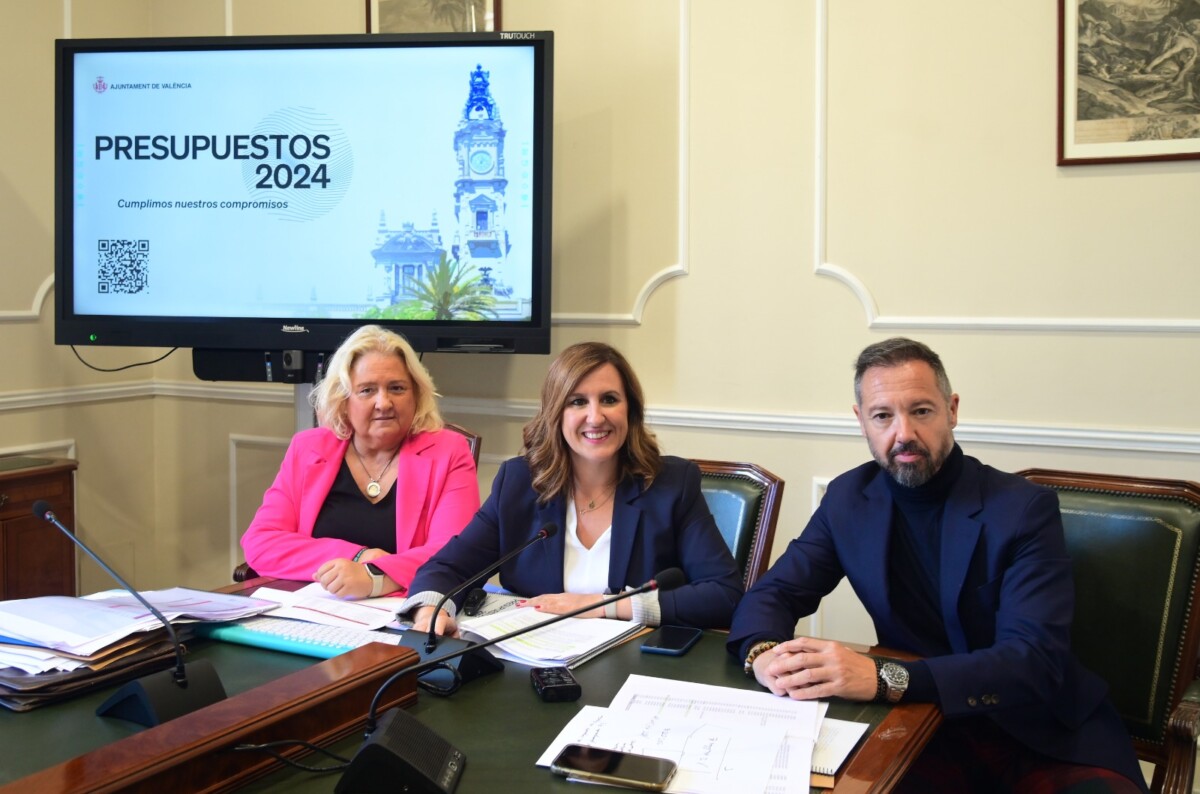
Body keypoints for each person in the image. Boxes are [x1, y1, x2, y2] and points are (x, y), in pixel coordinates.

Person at [727, 338, 1146, 793]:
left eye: (921, 411)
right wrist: (763, 654)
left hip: (1041, 733)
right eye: (883, 416)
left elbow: (1033, 660)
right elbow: (775, 593)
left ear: (952, 409)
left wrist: (883, 678)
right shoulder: (848, 499)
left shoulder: (1022, 509)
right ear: (861, 421)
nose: (903, 432)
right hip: (920, 729)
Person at [405, 341, 742, 634]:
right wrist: (431, 613)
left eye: (609, 399)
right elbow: (448, 568)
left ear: (630, 410)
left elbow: (724, 594)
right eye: (577, 402)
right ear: (556, 414)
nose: (595, 417)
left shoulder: (671, 484)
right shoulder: (519, 483)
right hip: (534, 662)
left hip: (635, 664)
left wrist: (606, 605)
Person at [241, 325, 480, 600]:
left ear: (416, 395)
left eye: (397, 388)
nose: (384, 403)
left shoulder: (448, 452)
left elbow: (454, 553)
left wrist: (374, 577)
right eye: (367, 390)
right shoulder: (307, 448)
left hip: (403, 611)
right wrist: (359, 556)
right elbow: (261, 542)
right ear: (343, 400)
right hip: (317, 607)